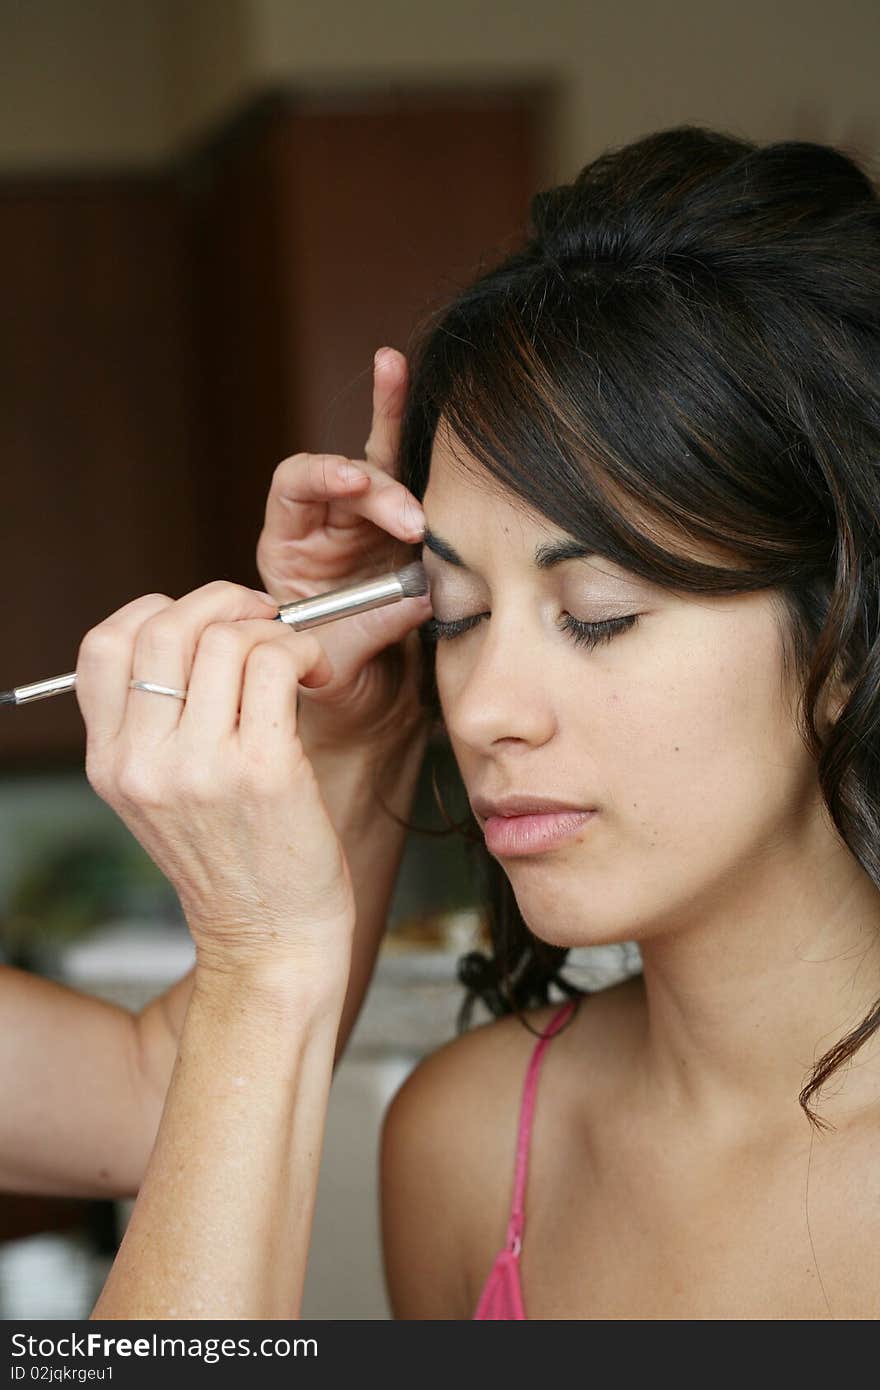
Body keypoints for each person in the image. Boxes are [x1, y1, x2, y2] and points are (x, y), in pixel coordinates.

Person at [20, 119, 880, 1321]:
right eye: (459, 616)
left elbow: (140, 1088)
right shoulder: (468, 1147)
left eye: (595, 613)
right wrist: (260, 953)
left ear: (844, 631)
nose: (481, 711)